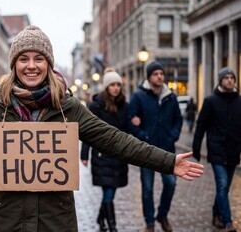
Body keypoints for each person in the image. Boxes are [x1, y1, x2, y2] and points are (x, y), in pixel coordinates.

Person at [0, 25, 204, 231]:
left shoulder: (68, 108)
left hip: (55, 220)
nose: (31, 65)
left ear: (48, 65)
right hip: (5, 219)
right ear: (14, 65)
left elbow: (116, 141)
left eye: (38, 59)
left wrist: (168, 161)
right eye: (23, 59)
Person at [128, 61, 183, 232]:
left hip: (167, 149)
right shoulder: (139, 96)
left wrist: (172, 136)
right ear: (149, 76)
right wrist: (143, 136)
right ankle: (150, 222)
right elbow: (131, 121)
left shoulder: (170, 96)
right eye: (155, 74)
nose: (159, 76)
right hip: (147, 150)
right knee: (147, 188)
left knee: (171, 182)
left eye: (161, 74)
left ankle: (163, 215)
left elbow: (178, 119)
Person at [80, 68, 130, 232]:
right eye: (112, 85)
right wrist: (84, 154)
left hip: (119, 156)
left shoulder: (124, 105)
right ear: (106, 87)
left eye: (118, 85)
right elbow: (88, 131)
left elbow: (128, 129)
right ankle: (112, 227)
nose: (116, 88)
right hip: (102, 155)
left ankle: (101, 219)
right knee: (108, 193)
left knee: (110, 193)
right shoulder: (96, 106)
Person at [192, 67, 241, 232]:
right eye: (226, 77)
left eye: (231, 77)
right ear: (220, 80)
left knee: (225, 187)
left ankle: (216, 215)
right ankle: (227, 222)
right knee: (222, 185)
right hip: (217, 150)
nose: (229, 80)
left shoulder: (239, 101)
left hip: (233, 150)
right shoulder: (210, 101)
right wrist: (196, 148)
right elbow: (201, 125)